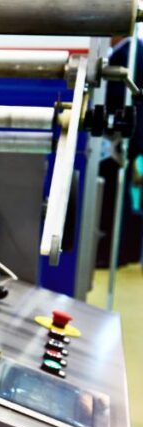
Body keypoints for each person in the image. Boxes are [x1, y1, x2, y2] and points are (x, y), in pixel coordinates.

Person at [98, 36, 143, 268]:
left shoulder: (128, 52)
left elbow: (124, 98)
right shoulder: (127, 50)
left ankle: (113, 252)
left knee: (114, 195)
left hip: (119, 138)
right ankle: (116, 251)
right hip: (124, 136)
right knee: (116, 193)